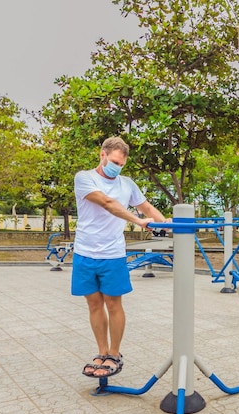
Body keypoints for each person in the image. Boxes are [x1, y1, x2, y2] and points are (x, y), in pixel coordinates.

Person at [72, 136, 168, 378]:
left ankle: (114, 354)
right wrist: (139, 222)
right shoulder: (84, 178)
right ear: (102, 155)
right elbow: (107, 203)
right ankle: (101, 352)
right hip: (85, 252)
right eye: (114, 161)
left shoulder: (127, 183)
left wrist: (167, 223)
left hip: (113, 254)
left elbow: (146, 207)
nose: (117, 167)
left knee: (114, 305)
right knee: (94, 304)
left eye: (121, 164)